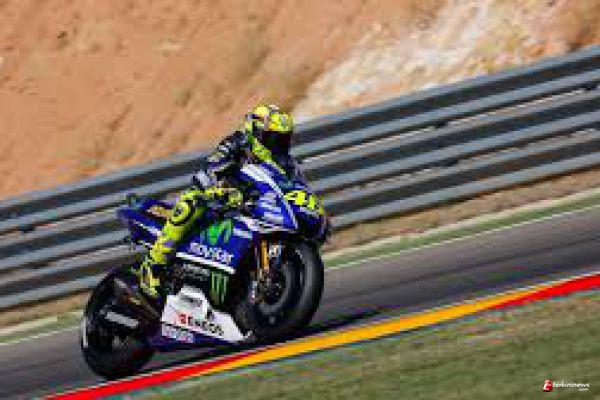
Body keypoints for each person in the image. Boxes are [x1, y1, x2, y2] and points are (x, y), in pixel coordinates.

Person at [138, 104, 304, 299]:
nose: (279, 145)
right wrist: (221, 189)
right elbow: (212, 167)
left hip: (256, 207)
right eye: (274, 138)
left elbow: (295, 186)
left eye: (283, 139)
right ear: (257, 132)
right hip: (219, 199)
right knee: (190, 203)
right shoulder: (237, 143)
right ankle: (154, 265)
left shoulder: (286, 163)